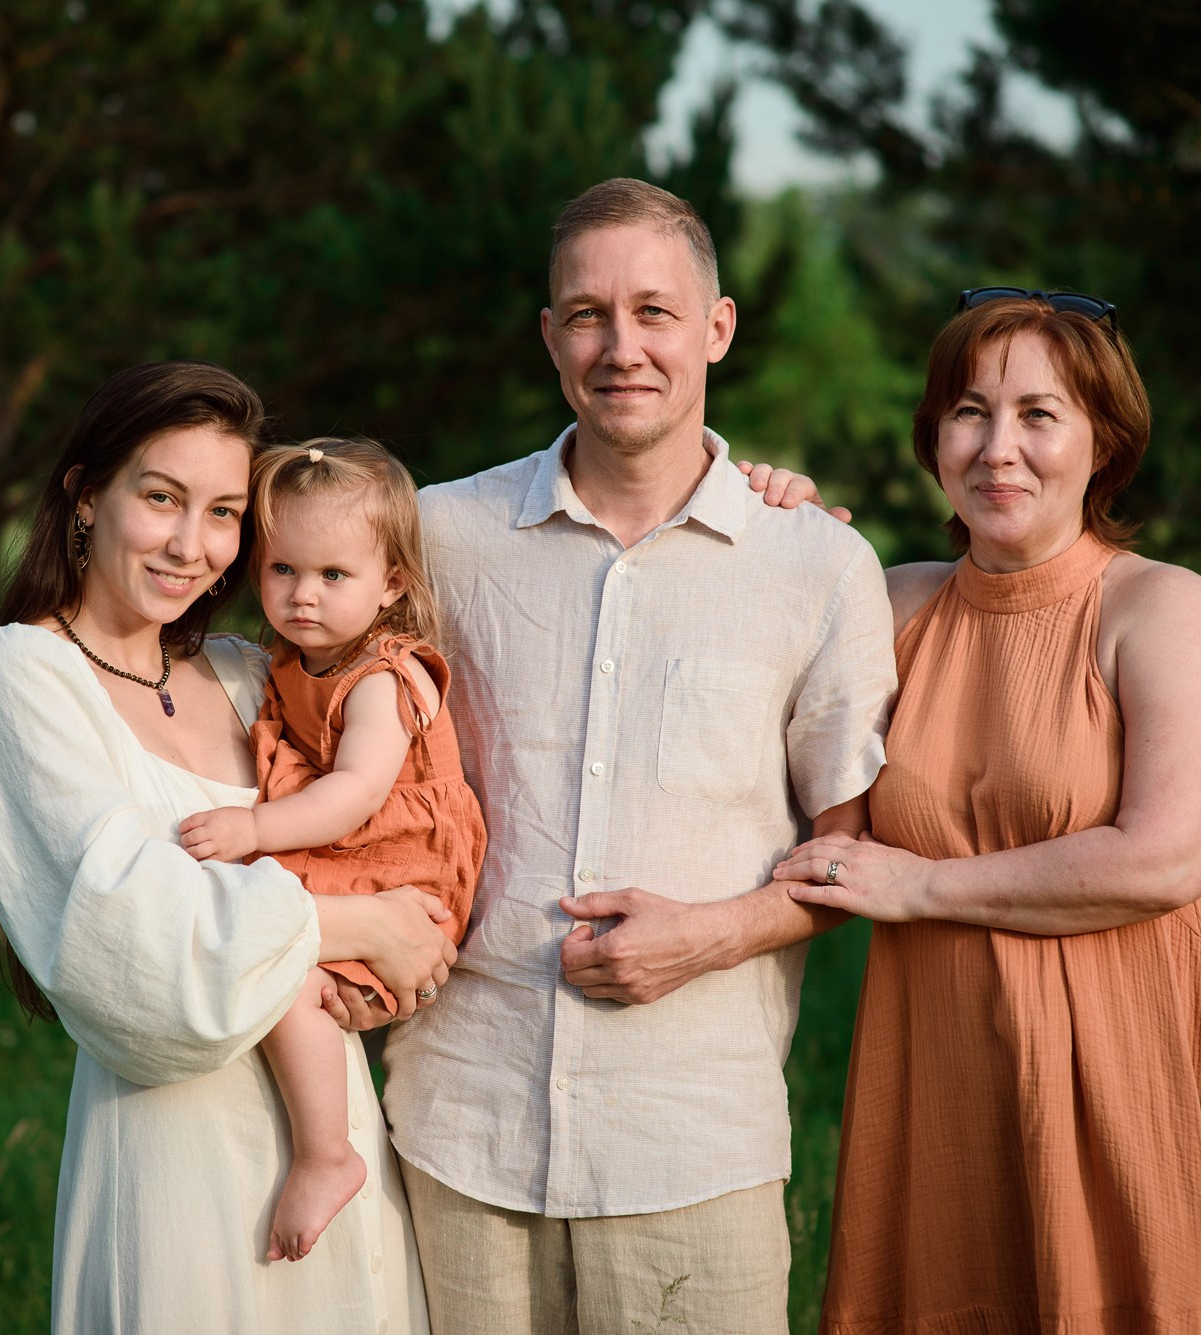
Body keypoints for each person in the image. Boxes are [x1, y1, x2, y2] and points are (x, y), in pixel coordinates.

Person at [333, 178, 900, 1334]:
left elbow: (850, 854)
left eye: (654, 310)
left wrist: (709, 937)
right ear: (549, 338)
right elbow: (289, 591)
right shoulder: (440, 536)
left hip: (691, 1139)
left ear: (717, 329)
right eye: (586, 314)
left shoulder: (813, 565)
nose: (620, 345)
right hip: (459, 1126)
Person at [767, 291, 1201, 1332]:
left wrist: (922, 885)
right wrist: (767, 518)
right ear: (933, 439)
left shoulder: (1157, 607)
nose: (998, 449)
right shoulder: (886, 604)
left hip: (1153, 1065)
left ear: (1102, 444)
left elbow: (1165, 856)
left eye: (1038, 414)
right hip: (944, 1078)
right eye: (968, 412)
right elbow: (728, 655)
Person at [0, 362, 453, 1333]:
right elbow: (136, 938)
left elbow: (382, 813)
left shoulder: (246, 672)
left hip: (334, 1127)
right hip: (173, 1150)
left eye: (222, 514)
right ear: (85, 496)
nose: (191, 545)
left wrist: (761, 497)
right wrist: (361, 924)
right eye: (160, 498)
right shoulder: (19, 677)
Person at [177, 436, 483, 1265]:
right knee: (276, 943)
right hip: (348, 853)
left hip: (400, 860)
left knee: (290, 971)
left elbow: (353, 793)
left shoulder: (381, 675)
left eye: (332, 576)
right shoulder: (291, 659)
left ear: (392, 584)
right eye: (282, 571)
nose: (302, 595)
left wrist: (253, 831)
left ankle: (326, 1153)